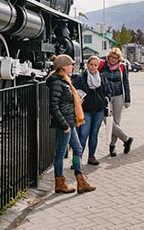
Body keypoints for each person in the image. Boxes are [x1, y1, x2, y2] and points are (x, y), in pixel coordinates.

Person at [46, 54, 95, 194]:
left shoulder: (64, 80)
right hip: (65, 123)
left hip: (70, 120)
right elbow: (54, 107)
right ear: (63, 67)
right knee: (60, 153)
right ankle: (60, 182)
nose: (72, 66)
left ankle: (80, 180)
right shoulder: (57, 82)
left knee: (78, 149)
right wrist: (64, 125)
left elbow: (64, 102)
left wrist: (76, 103)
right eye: (70, 64)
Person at [73, 55, 113, 166]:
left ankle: (92, 157)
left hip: (99, 110)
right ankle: (77, 160)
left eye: (95, 65)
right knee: (83, 134)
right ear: (87, 64)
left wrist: (106, 99)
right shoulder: (81, 78)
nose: (93, 67)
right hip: (86, 110)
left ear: (98, 66)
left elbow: (108, 91)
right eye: (91, 64)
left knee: (94, 134)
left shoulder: (102, 77)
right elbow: (74, 92)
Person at [99, 48, 133, 157]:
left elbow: (126, 83)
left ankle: (112, 147)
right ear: (108, 57)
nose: (113, 60)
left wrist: (127, 99)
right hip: (105, 97)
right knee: (108, 121)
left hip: (118, 96)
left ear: (119, 59)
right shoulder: (102, 66)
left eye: (116, 58)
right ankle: (126, 139)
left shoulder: (122, 67)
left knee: (116, 121)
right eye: (112, 57)